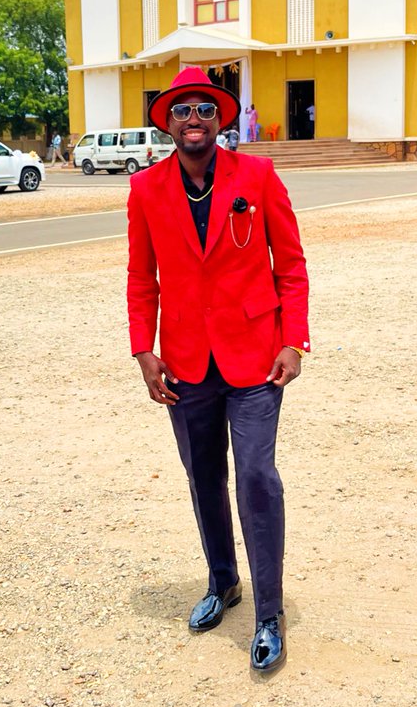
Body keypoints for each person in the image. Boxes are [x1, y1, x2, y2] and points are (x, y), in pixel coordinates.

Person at [127, 66, 310, 674]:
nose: (194, 120)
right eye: (182, 111)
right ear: (168, 122)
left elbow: (290, 262)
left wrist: (295, 340)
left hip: (256, 355)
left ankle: (268, 613)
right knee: (203, 476)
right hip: (184, 361)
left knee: (256, 477)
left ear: (220, 118)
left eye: (205, 109)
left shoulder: (256, 176)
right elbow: (140, 277)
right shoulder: (146, 189)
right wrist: (144, 350)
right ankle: (222, 581)